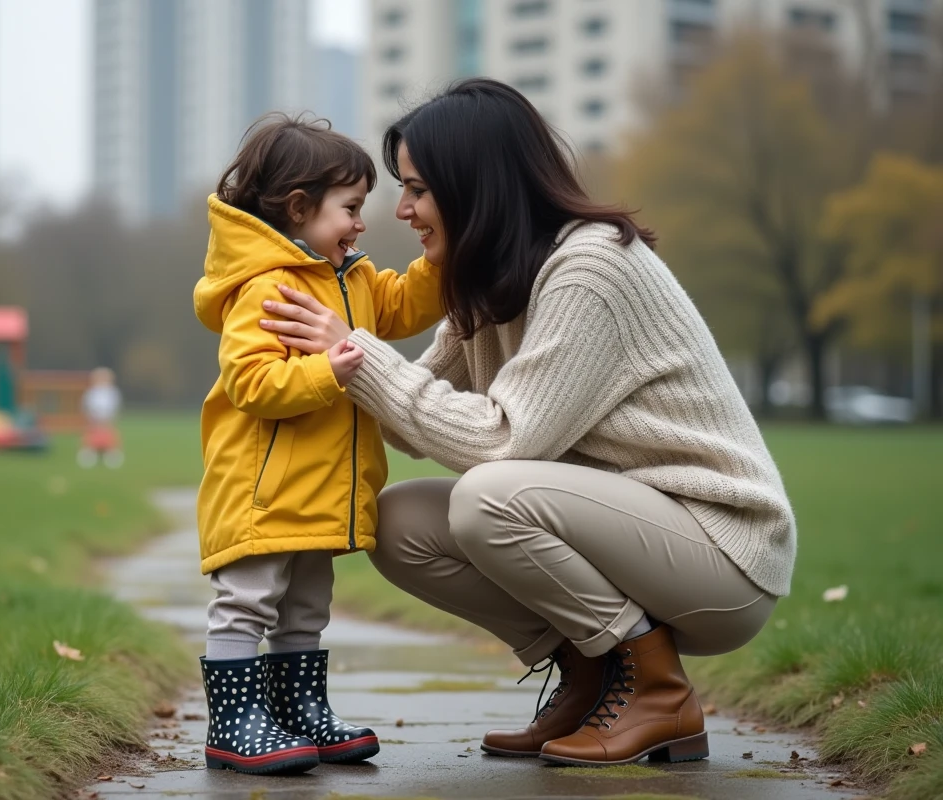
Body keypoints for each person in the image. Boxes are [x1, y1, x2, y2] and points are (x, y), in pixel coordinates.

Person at [257, 79, 796, 767]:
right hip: (632, 531)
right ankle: (596, 676)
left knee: (490, 498)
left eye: (418, 188)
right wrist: (327, 364)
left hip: (722, 549)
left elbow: (502, 442)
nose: (402, 210)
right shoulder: (487, 282)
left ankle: (658, 692)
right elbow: (408, 414)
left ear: (473, 183)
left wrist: (356, 352)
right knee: (394, 524)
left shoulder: (590, 268)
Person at [193, 113, 443, 775]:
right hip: (263, 491)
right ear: (299, 209)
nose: (362, 223)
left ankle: (300, 711)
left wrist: (443, 261)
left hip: (320, 493)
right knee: (245, 605)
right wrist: (324, 371)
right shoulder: (264, 289)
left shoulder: (352, 278)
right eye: (351, 208)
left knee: (306, 609)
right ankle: (235, 722)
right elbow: (250, 382)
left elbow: (404, 304)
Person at [78, 367, 123, 468]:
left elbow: (115, 406)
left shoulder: (113, 392)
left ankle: (111, 455)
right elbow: (87, 405)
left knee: (110, 437)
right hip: (94, 420)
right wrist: (92, 417)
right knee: (90, 437)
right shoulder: (91, 392)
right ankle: (89, 455)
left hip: (107, 420)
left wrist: (110, 418)